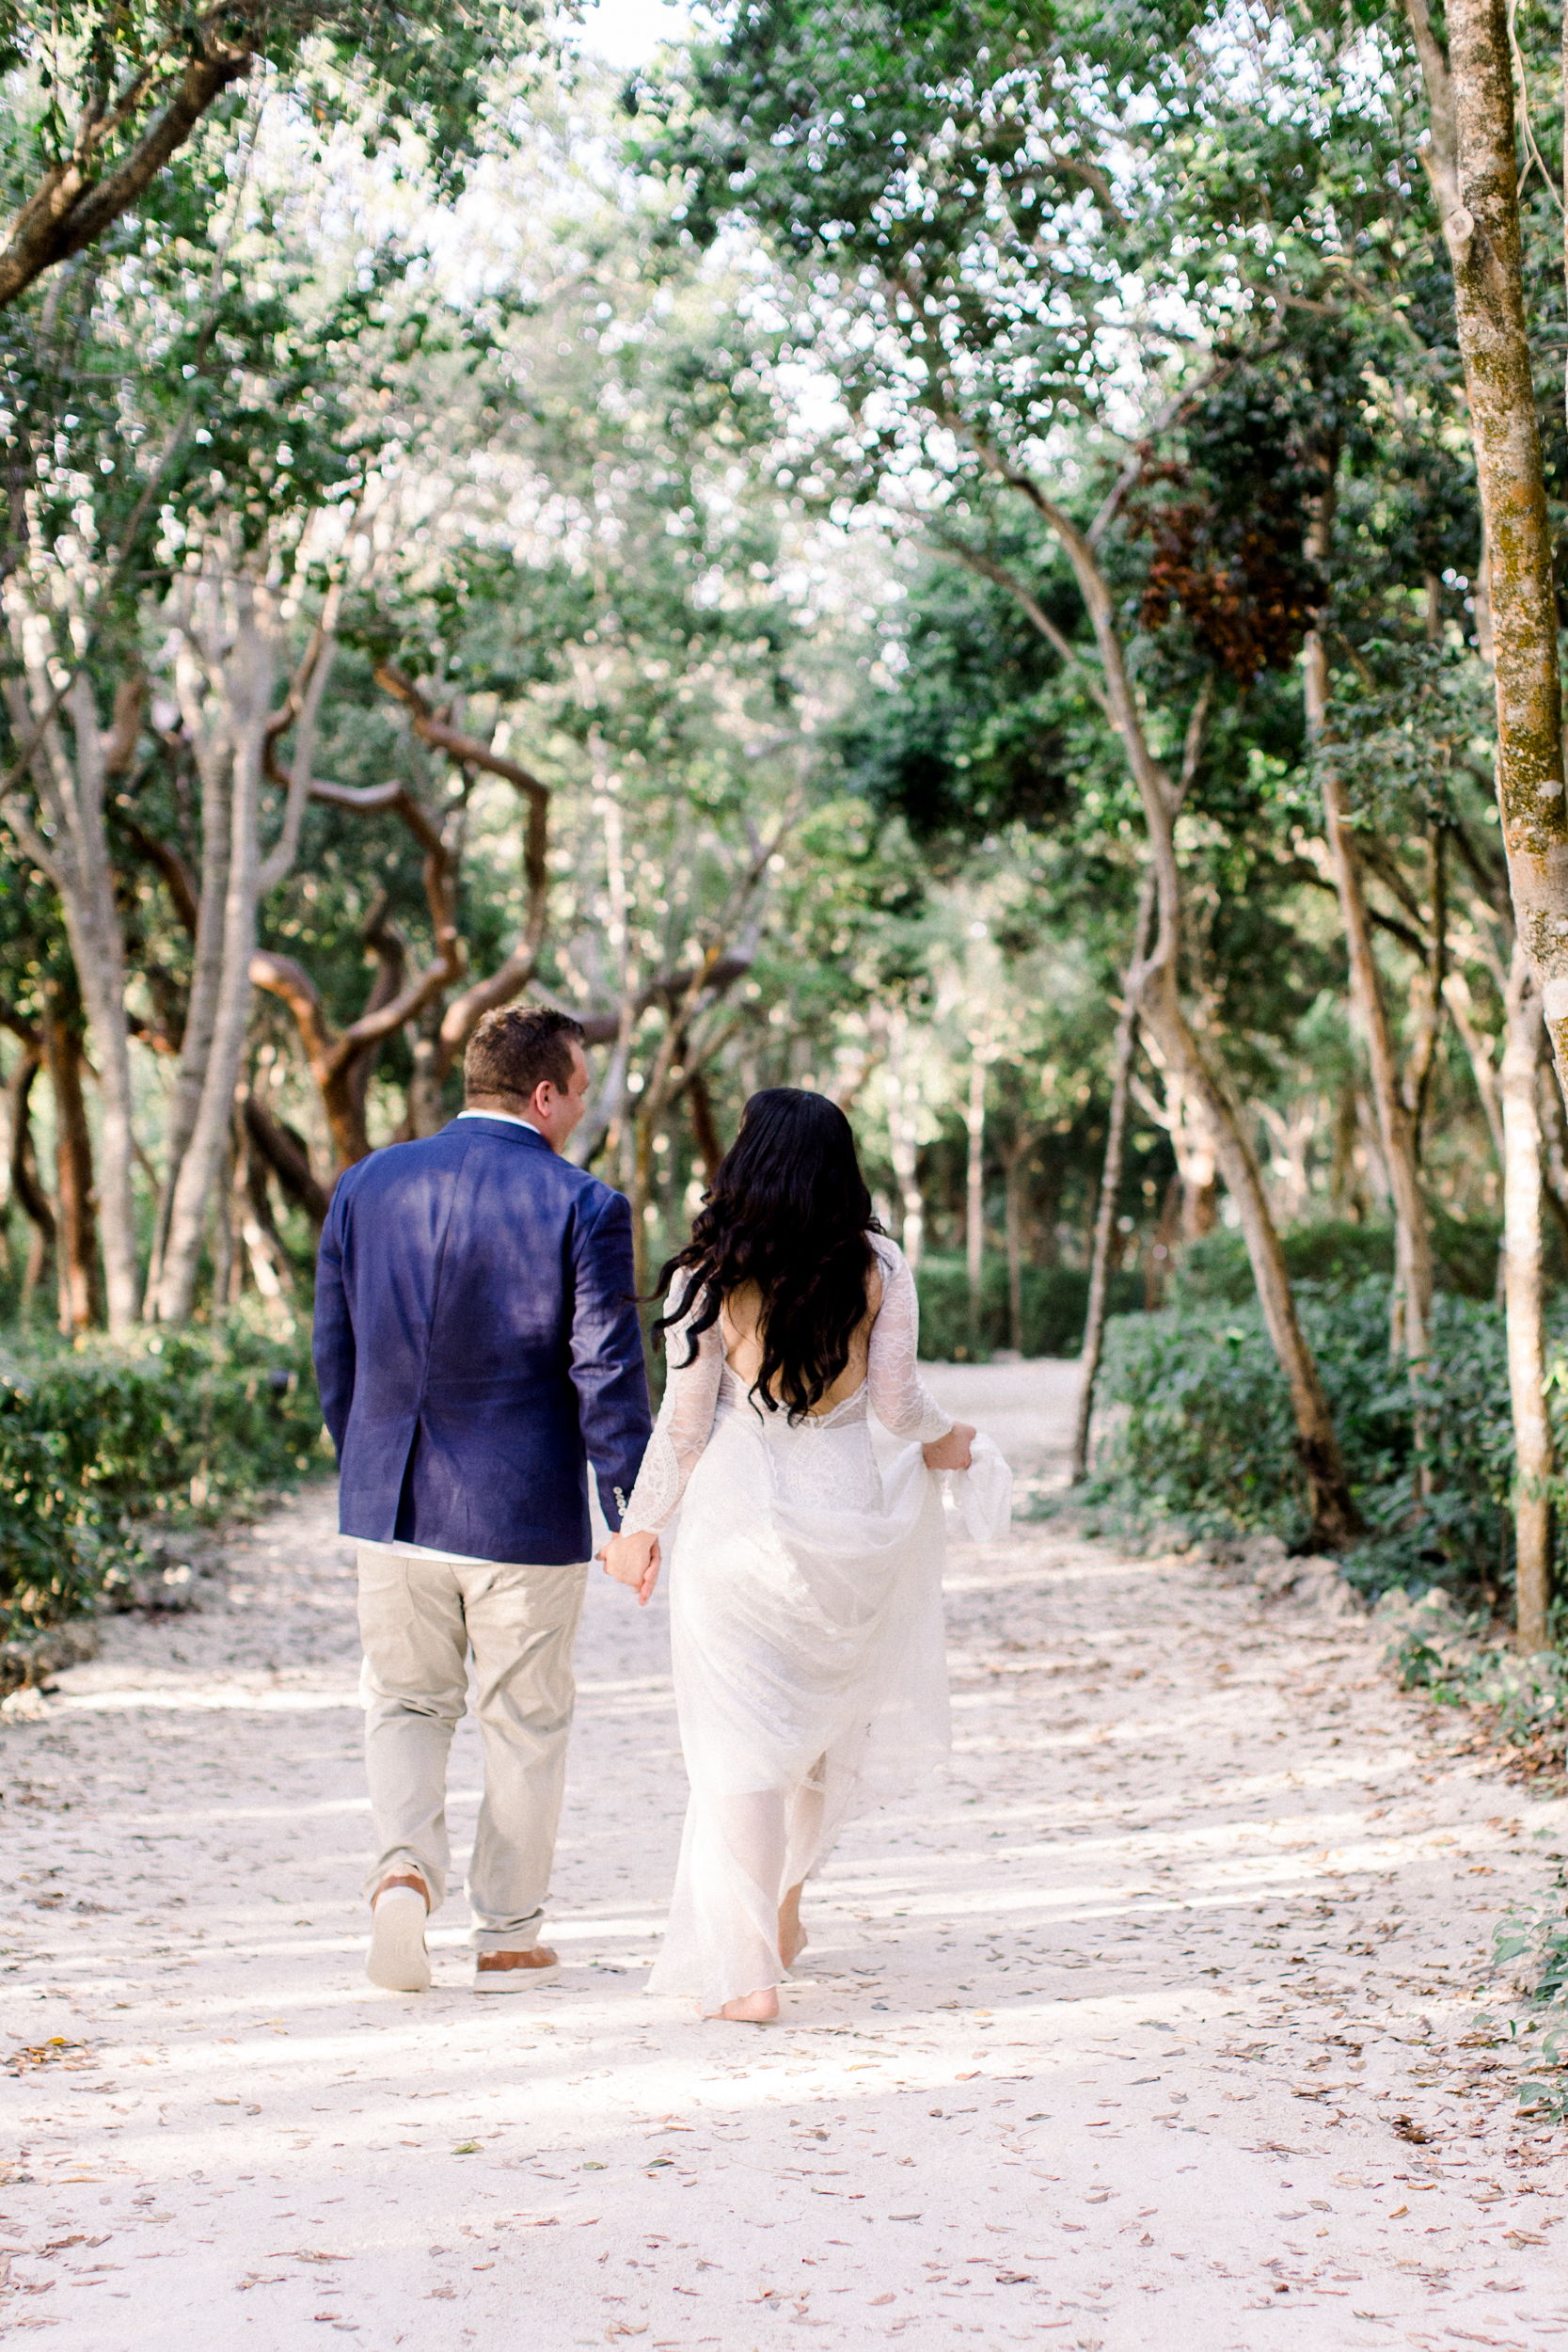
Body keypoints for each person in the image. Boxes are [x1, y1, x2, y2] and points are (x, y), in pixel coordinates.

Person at [601, 1088, 993, 2023]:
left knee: (736, 1743)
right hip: (848, 1525)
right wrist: (954, 1445)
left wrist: (639, 1527)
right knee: (820, 1734)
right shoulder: (879, 1264)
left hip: (737, 1528)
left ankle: (748, 1973)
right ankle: (781, 1908)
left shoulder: (707, 1274)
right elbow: (898, 1409)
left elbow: (686, 1427)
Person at [312, 1005, 655, 1996]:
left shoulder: (364, 1185)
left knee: (408, 1701)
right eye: (581, 1091)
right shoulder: (585, 1204)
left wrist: (368, 1468)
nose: (583, 1109)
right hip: (521, 1516)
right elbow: (604, 1369)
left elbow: (337, 1349)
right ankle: (505, 1936)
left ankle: (402, 1873)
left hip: (393, 1505)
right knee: (523, 1719)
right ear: (544, 1095)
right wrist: (629, 1512)